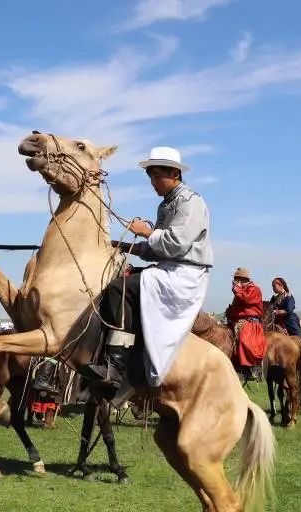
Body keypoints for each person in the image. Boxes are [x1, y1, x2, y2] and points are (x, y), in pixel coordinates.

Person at [80, 146, 212, 396]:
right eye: (150, 176)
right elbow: (158, 249)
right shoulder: (168, 204)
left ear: (175, 173)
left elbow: (176, 243)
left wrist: (146, 232)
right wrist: (127, 246)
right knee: (122, 280)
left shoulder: (190, 202)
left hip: (185, 274)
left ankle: (116, 365)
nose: (152, 182)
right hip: (169, 268)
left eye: (156, 175)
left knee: (119, 288)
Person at [226, 268, 267, 378]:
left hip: (249, 322)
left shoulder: (254, 289)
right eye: (235, 280)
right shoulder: (241, 290)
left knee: (245, 340)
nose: (235, 282)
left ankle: (252, 369)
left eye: (236, 279)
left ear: (242, 279)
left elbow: (246, 299)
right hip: (236, 321)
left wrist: (236, 289)